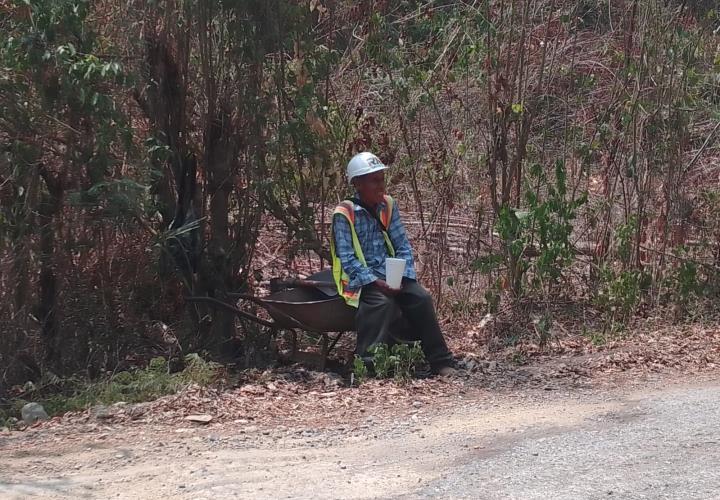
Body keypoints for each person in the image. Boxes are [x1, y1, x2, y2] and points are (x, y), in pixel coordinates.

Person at [330, 152, 456, 376]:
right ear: (357, 184)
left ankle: (440, 361)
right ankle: (367, 367)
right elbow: (347, 258)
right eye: (374, 181)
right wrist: (376, 282)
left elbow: (402, 245)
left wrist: (404, 276)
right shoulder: (345, 213)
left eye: (382, 179)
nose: (381, 186)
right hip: (360, 280)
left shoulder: (388, 205)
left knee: (421, 298)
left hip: (390, 275)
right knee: (381, 304)